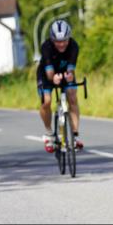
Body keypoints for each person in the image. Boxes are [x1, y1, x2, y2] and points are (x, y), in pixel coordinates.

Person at [37, 19, 83, 152]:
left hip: (64, 72)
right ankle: (49, 133)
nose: (62, 44)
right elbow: (50, 72)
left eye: (64, 40)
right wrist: (53, 79)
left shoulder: (74, 46)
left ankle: (74, 136)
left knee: (72, 97)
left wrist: (69, 75)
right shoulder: (46, 47)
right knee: (47, 101)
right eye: (58, 41)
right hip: (46, 73)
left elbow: (71, 69)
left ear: (69, 38)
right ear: (52, 39)